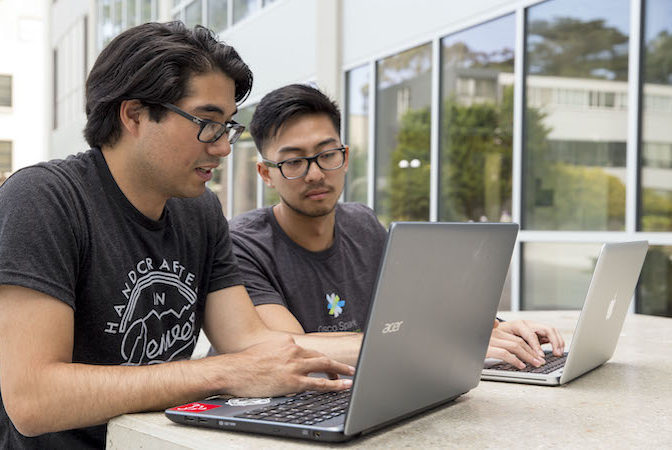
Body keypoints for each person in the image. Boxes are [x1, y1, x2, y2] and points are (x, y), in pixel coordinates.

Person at [0, 23, 355, 449]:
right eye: (208, 123)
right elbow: (34, 399)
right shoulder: (42, 201)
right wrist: (226, 372)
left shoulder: (199, 210)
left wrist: (392, 348)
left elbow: (249, 340)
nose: (223, 147)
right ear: (134, 114)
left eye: (228, 126)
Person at [227, 84, 565, 371]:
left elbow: (424, 304)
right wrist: (440, 342)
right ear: (266, 174)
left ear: (345, 157)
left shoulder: (363, 223)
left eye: (327, 154)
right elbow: (292, 349)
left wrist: (495, 329)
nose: (315, 173)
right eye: (294, 161)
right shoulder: (243, 243)